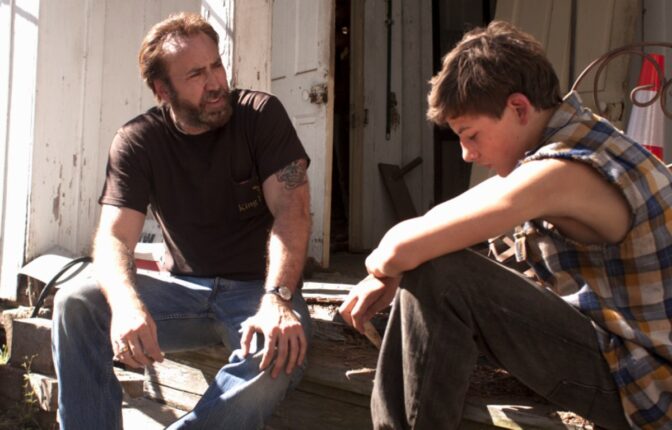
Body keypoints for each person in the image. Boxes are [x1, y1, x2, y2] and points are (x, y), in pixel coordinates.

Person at [339, 20, 672, 429]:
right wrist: (395, 264)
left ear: (518, 108)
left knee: (440, 276)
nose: (466, 153)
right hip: (628, 356)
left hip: (647, 387)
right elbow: (437, 220)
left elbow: (401, 247)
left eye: (471, 135)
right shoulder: (585, 140)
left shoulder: (561, 171)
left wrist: (382, 269)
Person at [52, 12, 312, 429]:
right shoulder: (138, 140)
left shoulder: (260, 115)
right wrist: (126, 305)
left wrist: (278, 298)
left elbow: (292, 210)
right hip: (182, 292)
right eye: (196, 75)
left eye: (216, 66)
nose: (215, 83)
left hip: (258, 292)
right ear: (162, 90)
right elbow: (114, 237)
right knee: (76, 303)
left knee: (277, 349)